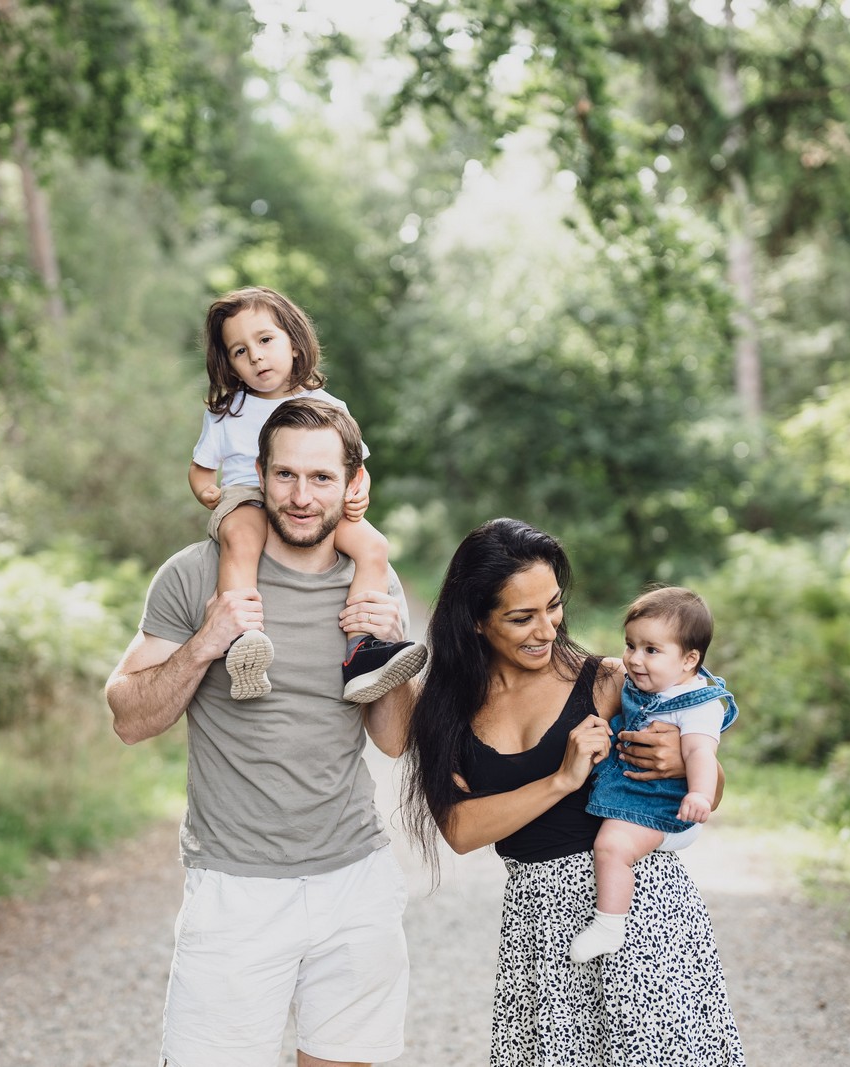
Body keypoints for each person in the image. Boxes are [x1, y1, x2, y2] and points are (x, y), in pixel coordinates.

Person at [108, 396, 421, 1067]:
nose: (302, 497)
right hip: (235, 888)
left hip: (354, 880)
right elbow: (129, 718)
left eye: (321, 478)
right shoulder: (197, 573)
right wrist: (206, 642)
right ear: (259, 473)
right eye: (286, 475)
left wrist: (391, 647)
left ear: (352, 483)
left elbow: (394, 740)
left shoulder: (373, 581)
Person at [400, 519, 746, 1066]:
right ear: (476, 621)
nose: (546, 629)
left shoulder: (607, 681)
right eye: (522, 617)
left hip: (638, 910)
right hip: (539, 924)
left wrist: (686, 759)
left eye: (554, 607)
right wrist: (561, 779)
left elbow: (706, 783)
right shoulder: (447, 710)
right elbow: (461, 831)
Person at [189, 285, 425, 703]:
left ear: (295, 344)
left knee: (373, 545)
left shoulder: (328, 405)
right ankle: (242, 640)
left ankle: (363, 650)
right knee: (241, 538)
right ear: (230, 365)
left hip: (314, 499)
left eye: (265, 340)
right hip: (247, 495)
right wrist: (207, 491)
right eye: (240, 351)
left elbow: (356, 467)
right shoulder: (228, 412)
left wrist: (358, 494)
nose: (256, 356)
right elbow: (201, 468)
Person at [569, 585, 740, 963]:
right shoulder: (650, 684)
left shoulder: (697, 705)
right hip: (637, 786)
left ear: (689, 660)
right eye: (630, 645)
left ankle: (609, 925)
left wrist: (699, 794)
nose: (634, 659)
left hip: (666, 804)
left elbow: (699, 752)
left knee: (612, 846)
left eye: (651, 650)